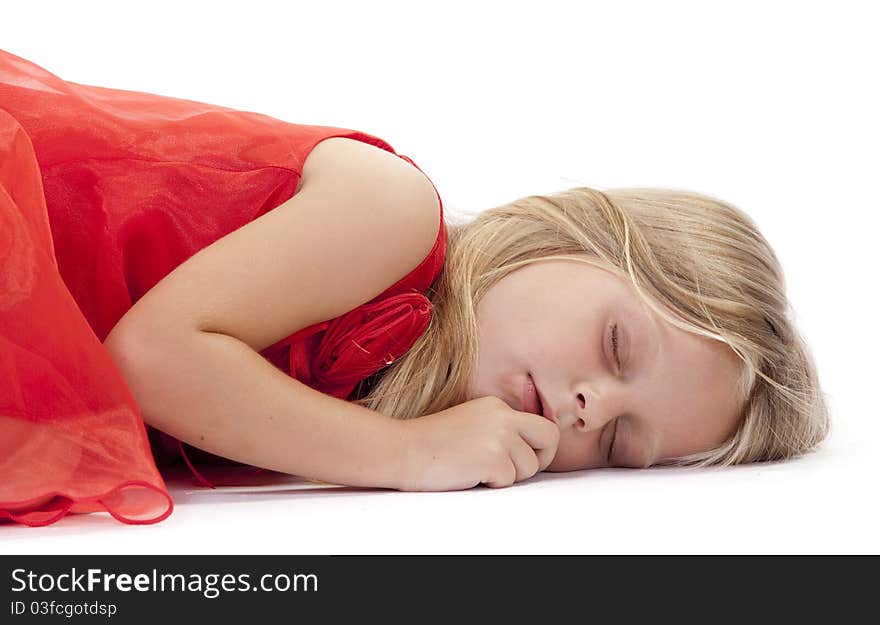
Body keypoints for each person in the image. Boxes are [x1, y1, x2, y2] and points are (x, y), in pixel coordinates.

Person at [0, 49, 829, 527]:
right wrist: (407, 456)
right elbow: (150, 357)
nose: (590, 406)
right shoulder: (390, 212)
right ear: (568, 238)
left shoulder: (349, 397)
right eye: (616, 347)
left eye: (618, 442)